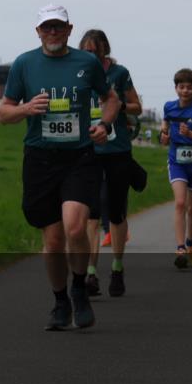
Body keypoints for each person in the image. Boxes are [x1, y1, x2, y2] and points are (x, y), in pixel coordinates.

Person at [0, 4, 119, 330]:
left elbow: (111, 99)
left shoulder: (86, 62)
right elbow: (3, 113)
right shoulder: (24, 64)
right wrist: (25, 108)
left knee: (76, 227)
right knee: (52, 241)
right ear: (37, 31)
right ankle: (60, 300)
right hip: (40, 159)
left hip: (79, 157)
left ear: (69, 29)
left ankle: (79, 288)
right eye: (46, 28)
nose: (52, 33)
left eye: (58, 27)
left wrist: (104, 126)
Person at [79, 30, 141, 298]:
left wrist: (118, 108)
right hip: (88, 150)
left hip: (117, 150)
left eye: (94, 51)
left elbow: (137, 106)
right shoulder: (78, 73)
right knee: (91, 215)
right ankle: (90, 274)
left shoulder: (119, 72)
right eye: (85, 51)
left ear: (104, 50)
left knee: (116, 213)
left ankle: (117, 268)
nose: (89, 56)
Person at [159, 68, 192, 269]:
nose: (185, 91)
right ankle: (180, 248)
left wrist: (191, 134)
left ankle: (191, 243)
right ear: (175, 88)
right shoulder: (169, 107)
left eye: (189, 88)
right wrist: (164, 135)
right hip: (177, 161)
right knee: (180, 203)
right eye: (181, 87)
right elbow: (165, 125)